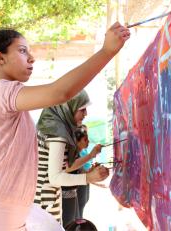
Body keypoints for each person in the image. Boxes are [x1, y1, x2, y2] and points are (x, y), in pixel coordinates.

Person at [0, 22, 130, 231]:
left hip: (3, 219)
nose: (31, 58)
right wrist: (106, 51)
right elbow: (59, 93)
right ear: (0, 57)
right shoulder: (1, 92)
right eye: (23, 51)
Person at [35, 90, 108, 227]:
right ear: (69, 107)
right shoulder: (58, 134)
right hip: (45, 202)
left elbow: (66, 167)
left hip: (44, 200)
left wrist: (88, 171)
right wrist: (87, 178)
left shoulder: (51, 126)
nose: (86, 114)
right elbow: (55, 177)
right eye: (82, 109)